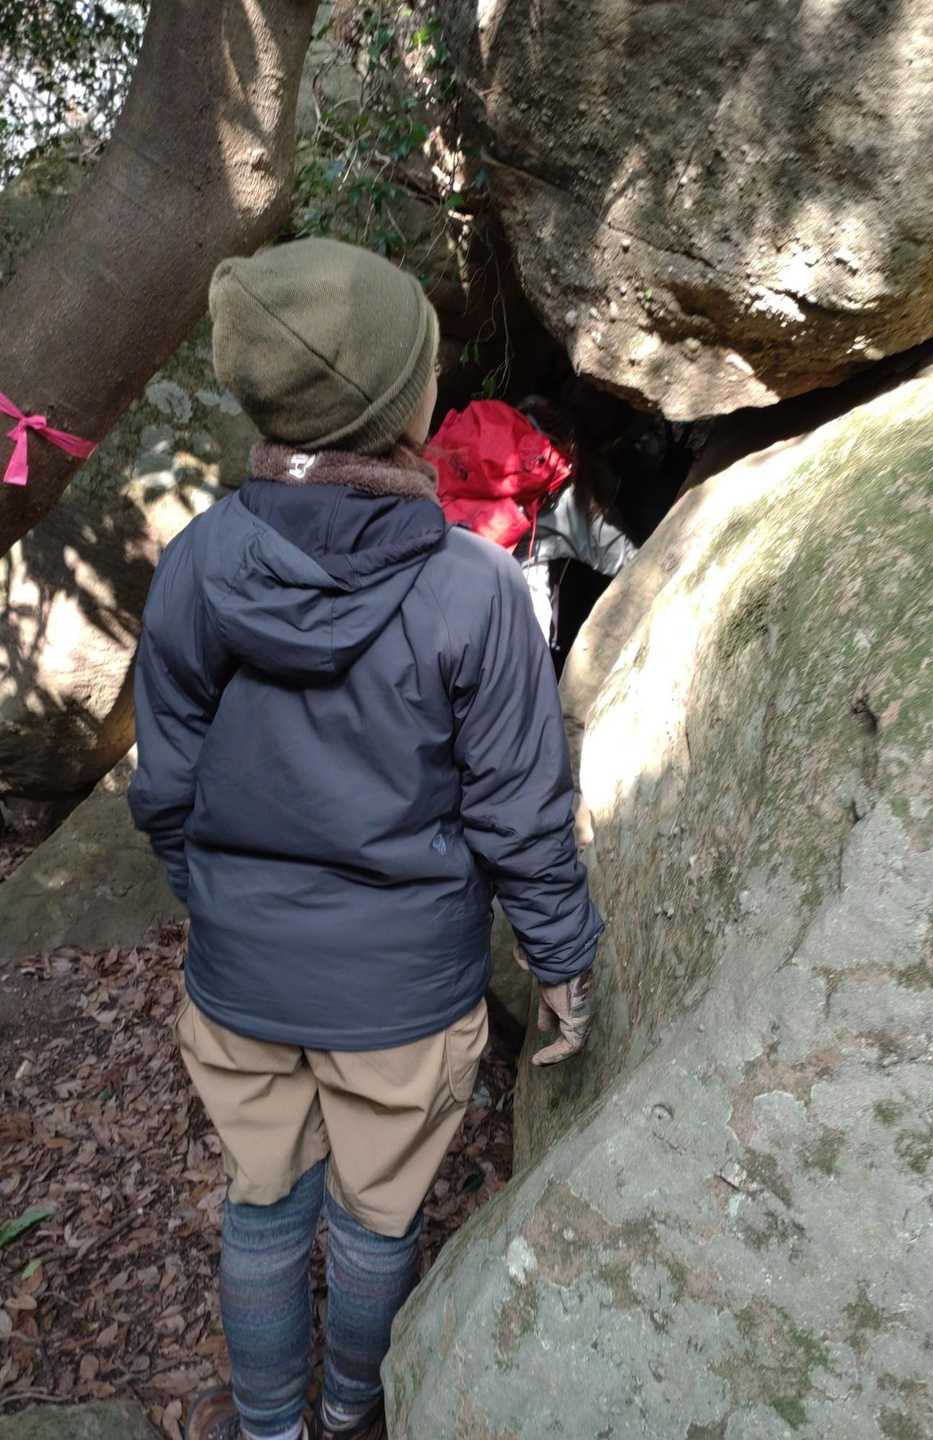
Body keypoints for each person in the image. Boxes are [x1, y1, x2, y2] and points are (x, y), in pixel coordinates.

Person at [128, 238, 602, 1440]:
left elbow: (166, 785)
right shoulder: (474, 591)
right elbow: (519, 809)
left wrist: (220, 903)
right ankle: (351, 1410)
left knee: (261, 1203)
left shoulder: (197, 566)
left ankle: (271, 1425)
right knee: (378, 1215)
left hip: (242, 977)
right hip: (405, 992)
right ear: (403, 402)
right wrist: (562, 959)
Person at [426, 394, 637, 651]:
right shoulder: (571, 494)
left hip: (437, 543)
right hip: (481, 574)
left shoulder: (512, 416)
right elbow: (630, 563)